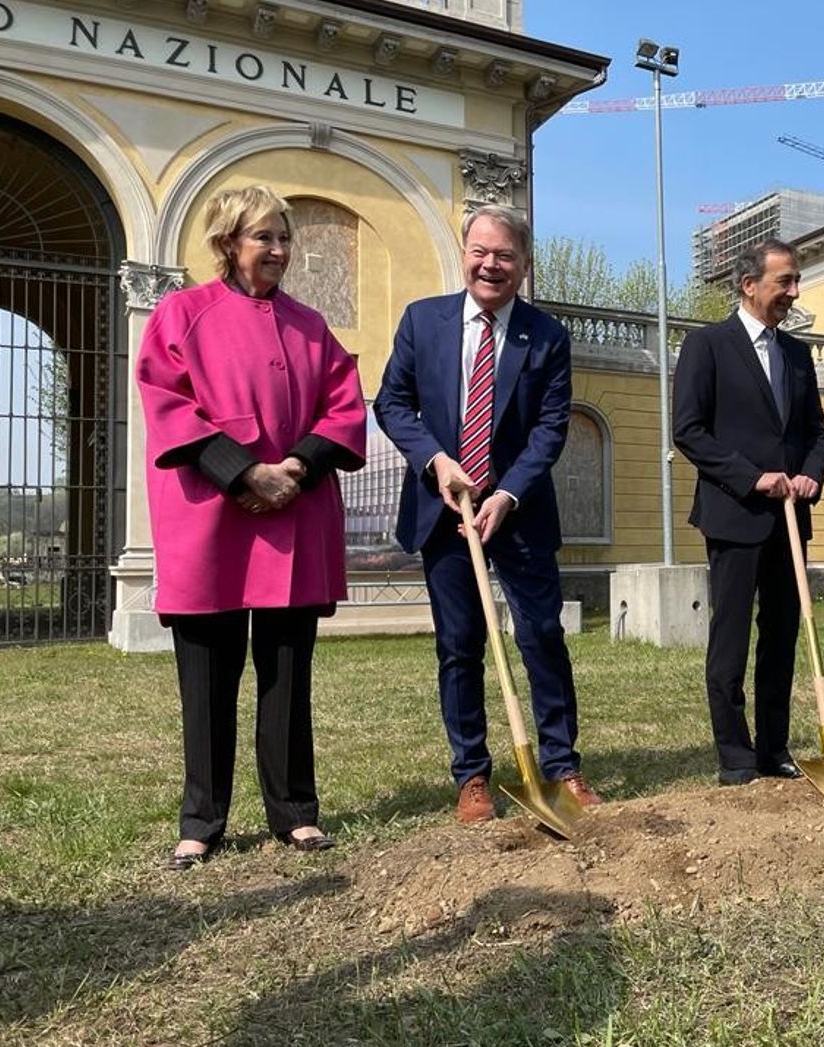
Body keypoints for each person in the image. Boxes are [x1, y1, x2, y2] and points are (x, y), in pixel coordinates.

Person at [137, 185, 366, 869]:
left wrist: (294, 467)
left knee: (287, 675)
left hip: (293, 517)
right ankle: (201, 820)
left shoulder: (310, 324)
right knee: (207, 680)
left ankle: (295, 813)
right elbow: (167, 403)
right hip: (212, 520)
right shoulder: (182, 314)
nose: (278, 250)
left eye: (284, 237)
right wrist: (243, 473)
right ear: (227, 242)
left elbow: (344, 407)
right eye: (263, 236)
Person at [373, 204, 599, 823]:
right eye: (481, 252)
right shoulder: (424, 322)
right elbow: (391, 403)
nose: (490, 265)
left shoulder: (546, 336)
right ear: (464, 253)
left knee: (542, 637)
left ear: (524, 265)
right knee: (460, 645)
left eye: (505, 256)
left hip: (517, 512)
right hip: (444, 509)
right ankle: (472, 775)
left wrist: (507, 494)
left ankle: (561, 768)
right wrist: (435, 462)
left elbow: (551, 428)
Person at [672, 239, 824, 785]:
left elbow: (817, 433)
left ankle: (773, 747)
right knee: (732, 637)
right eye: (784, 281)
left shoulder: (798, 354)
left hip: (791, 519)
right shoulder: (707, 346)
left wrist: (811, 473)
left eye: (795, 281)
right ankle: (735, 756)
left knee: (782, 633)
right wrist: (751, 477)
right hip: (735, 515)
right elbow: (689, 430)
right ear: (749, 285)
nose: (794, 291)